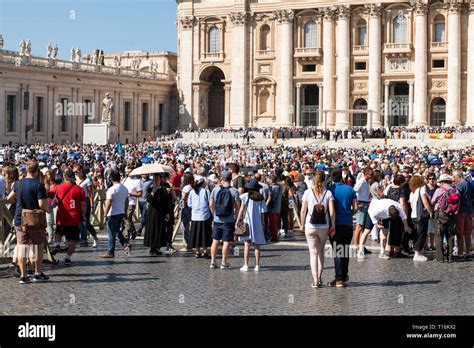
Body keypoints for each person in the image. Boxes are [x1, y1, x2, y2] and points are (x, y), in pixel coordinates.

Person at [8, 161, 50, 284]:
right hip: (35, 220)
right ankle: (37, 272)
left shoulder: (18, 184)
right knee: (38, 246)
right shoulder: (39, 185)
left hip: (20, 219)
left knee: (22, 247)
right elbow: (42, 204)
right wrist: (48, 209)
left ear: (26, 170)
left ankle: (23, 275)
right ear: (37, 171)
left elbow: (10, 198)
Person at [300, 170, 336, 288]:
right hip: (323, 226)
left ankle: (315, 280)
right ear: (324, 180)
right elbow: (331, 212)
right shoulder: (328, 193)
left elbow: (303, 210)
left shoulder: (307, 192)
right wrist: (333, 225)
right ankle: (320, 277)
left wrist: (301, 223)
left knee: (313, 253)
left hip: (310, 226)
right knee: (320, 252)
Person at [49, 169, 86, 265]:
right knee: (73, 240)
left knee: (58, 232)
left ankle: (57, 244)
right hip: (74, 217)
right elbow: (83, 205)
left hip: (62, 216)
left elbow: (49, 196)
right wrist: (84, 215)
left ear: (65, 177)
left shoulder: (59, 187)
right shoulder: (80, 189)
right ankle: (68, 257)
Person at [328, 169, 357, 287]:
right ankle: (344, 275)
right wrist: (349, 213)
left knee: (337, 251)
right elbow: (355, 207)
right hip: (348, 223)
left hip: (335, 224)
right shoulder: (350, 189)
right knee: (345, 249)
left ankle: (339, 278)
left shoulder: (330, 191)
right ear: (342, 178)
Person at [209, 171, 241, 269]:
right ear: (231, 179)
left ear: (222, 178)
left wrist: (214, 214)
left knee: (215, 240)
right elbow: (238, 207)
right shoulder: (234, 191)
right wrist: (237, 219)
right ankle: (224, 262)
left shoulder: (215, 189)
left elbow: (211, 204)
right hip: (229, 220)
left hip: (217, 219)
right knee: (226, 241)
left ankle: (213, 262)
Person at [235, 178, 267, 272]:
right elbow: (262, 213)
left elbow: (241, 209)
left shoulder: (245, 196)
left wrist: (238, 220)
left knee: (247, 244)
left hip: (247, 222)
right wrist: (262, 224)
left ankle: (246, 265)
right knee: (257, 245)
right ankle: (257, 265)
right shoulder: (261, 198)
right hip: (257, 223)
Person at [99, 171, 130, 258]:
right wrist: (125, 211)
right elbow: (126, 201)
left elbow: (108, 203)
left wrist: (105, 215)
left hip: (112, 213)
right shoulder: (124, 188)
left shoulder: (111, 189)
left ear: (111, 179)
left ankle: (110, 252)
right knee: (117, 231)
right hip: (121, 212)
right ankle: (125, 244)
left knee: (111, 233)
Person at [431, 174, 458, 263]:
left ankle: (440, 258)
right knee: (450, 236)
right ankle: (450, 257)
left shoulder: (439, 190)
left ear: (442, 182)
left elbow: (432, 201)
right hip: (451, 214)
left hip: (440, 214)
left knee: (439, 235)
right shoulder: (455, 190)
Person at [143, 173, 171, 255]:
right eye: (154, 179)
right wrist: (153, 193)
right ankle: (152, 247)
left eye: (157, 179)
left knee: (159, 230)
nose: (155, 181)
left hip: (160, 212)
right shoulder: (150, 189)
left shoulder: (163, 189)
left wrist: (167, 213)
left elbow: (166, 202)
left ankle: (157, 247)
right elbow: (149, 200)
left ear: (160, 180)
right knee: (152, 230)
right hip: (152, 213)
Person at [408, 174, 432, 262]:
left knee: (417, 234)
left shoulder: (412, 192)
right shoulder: (421, 189)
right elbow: (425, 202)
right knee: (422, 234)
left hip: (413, 215)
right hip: (420, 215)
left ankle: (417, 252)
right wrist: (430, 211)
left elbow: (411, 205)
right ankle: (417, 254)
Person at [74, 164, 99, 248]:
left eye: (77, 171)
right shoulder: (74, 180)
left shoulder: (87, 181)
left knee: (86, 222)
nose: (76, 173)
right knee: (80, 222)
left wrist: (92, 205)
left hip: (86, 201)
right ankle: (83, 240)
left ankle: (95, 238)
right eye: (74, 171)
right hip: (77, 202)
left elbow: (91, 194)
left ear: (81, 170)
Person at [187, 175, 212, 258]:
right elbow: (210, 202)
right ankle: (205, 251)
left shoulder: (191, 191)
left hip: (195, 216)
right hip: (204, 215)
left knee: (196, 234)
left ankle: (197, 251)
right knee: (205, 234)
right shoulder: (206, 191)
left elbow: (189, 204)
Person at [452, 170, 472, 259]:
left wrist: (455, 209)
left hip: (460, 210)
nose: (453, 179)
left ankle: (460, 252)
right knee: (467, 232)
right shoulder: (468, 183)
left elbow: (457, 198)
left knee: (459, 232)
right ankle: (467, 252)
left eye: (454, 177)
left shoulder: (460, 185)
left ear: (459, 176)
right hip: (469, 210)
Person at [353, 168, 373, 255]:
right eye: (370, 175)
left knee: (363, 227)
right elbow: (354, 191)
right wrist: (357, 203)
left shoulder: (366, 181)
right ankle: (356, 246)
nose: (372, 176)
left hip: (365, 203)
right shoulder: (361, 181)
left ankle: (362, 246)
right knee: (359, 226)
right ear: (366, 174)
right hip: (361, 203)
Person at [122, 165, 143, 240]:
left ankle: (126, 235)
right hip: (124, 202)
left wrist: (131, 194)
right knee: (128, 218)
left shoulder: (137, 181)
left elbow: (140, 194)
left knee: (127, 218)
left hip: (131, 202)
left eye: (130, 170)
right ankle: (133, 232)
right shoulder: (125, 179)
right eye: (127, 170)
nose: (128, 172)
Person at [179, 172, 194, 253]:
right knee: (189, 226)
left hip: (186, 208)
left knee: (185, 226)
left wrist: (179, 207)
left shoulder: (186, 188)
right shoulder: (192, 186)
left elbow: (183, 198)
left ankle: (188, 244)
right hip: (192, 208)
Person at [266, 174, 282, 242]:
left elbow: (271, 197)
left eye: (268, 179)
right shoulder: (279, 186)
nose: (267, 180)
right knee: (276, 222)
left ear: (271, 180)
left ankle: (274, 237)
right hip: (278, 207)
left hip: (273, 208)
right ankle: (275, 235)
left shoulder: (273, 187)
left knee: (273, 223)